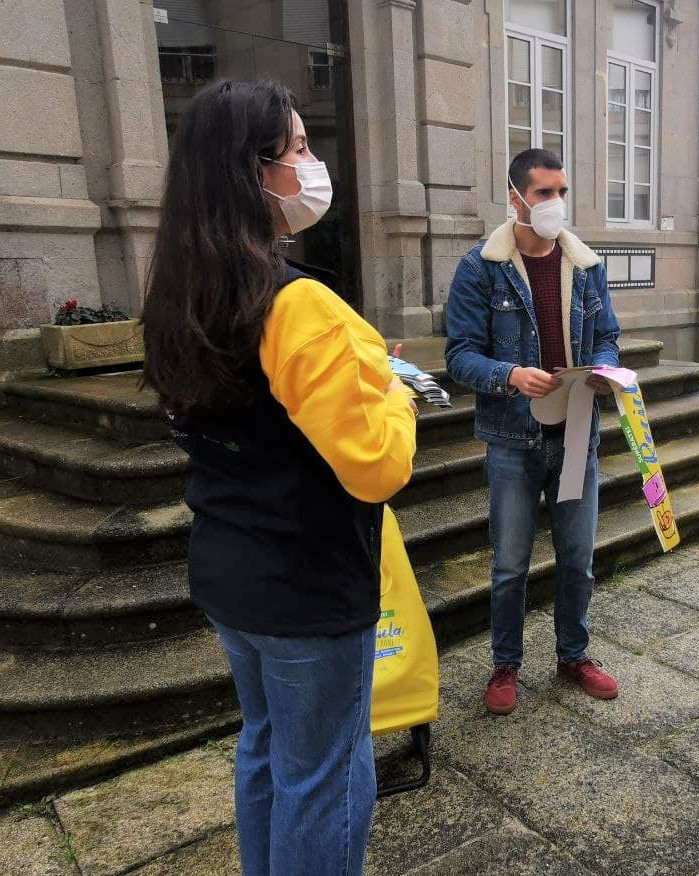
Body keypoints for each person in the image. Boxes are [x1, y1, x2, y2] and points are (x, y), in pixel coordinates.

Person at [141, 80, 418, 876]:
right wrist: (395, 395)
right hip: (307, 582)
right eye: (296, 148)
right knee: (325, 775)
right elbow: (375, 468)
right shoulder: (300, 305)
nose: (311, 161)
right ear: (250, 170)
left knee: (266, 750)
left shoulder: (181, 290)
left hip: (231, 570)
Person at [445, 148, 622, 716]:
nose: (556, 204)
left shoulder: (587, 267)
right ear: (515, 197)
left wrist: (602, 369)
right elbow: (459, 357)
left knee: (578, 559)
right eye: (544, 193)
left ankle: (574, 655)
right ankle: (506, 664)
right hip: (512, 442)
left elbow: (609, 337)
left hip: (577, 438)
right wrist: (509, 375)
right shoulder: (481, 268)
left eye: (562, 191)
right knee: (509, 566)